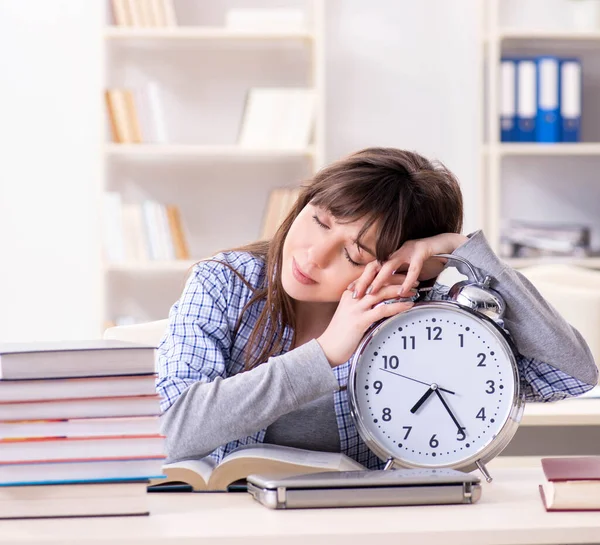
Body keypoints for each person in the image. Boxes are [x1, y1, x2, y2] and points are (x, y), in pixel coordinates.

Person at [156, 147, 598, 469]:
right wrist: (326, 352)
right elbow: (169, 432)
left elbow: (572, 374)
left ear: (401, 265)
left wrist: (463, 250)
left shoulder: (417, 321)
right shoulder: (225, 283)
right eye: (319, 221)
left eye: (354, 254)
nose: (313, 255)